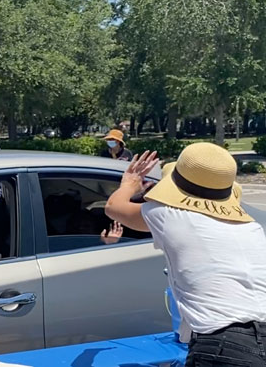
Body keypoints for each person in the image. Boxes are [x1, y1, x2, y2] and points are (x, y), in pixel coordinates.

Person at [105, 144, 266, 366]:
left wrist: (129, 183)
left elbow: (114, 207)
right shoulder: (251, 227)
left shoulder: (168, 215)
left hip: (224, 344)